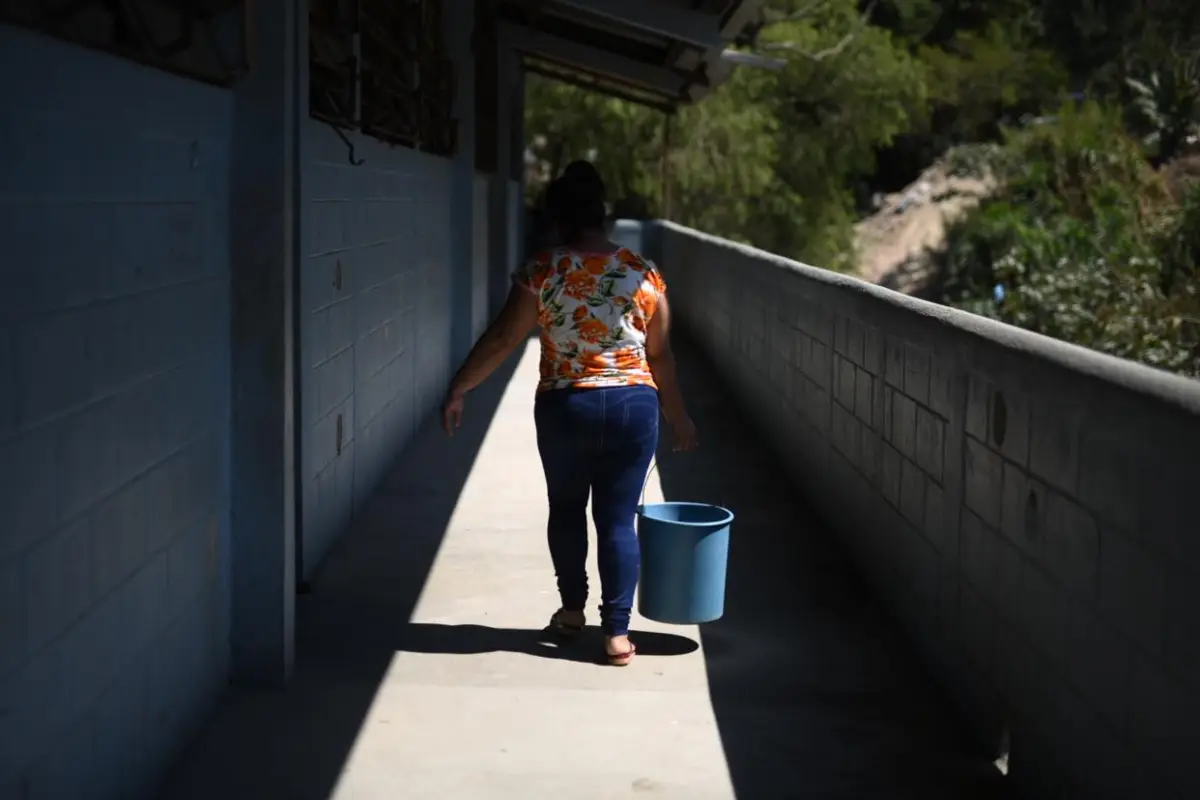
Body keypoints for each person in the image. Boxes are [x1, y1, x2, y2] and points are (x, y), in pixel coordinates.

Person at [441, 161, 698, 666]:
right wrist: (678, 414)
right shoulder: (643, 273)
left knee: (566, 509)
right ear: (602, 215)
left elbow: (503, 339)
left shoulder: (543, 270)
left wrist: (460, 386)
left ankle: (572, 610)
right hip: (632, 406)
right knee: (618, 520)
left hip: (566, 404)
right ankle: (618, 634)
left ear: (558, 217)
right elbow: (660, 353)